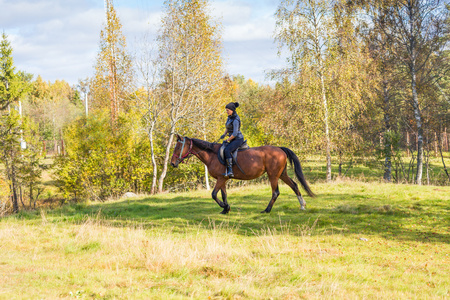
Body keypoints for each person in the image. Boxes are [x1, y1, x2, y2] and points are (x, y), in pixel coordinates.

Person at [220, 102, 244, 178]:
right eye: (226, 110)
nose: (226, 112)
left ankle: (230, 171)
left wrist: (227, 140)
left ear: (232, 110)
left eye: (228, 110)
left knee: (227, 150)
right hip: (232, 139)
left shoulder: (236, 120)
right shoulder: (229, 117)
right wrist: (224, 134)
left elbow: (235, 134)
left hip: (238, 139)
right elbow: (227, 127)